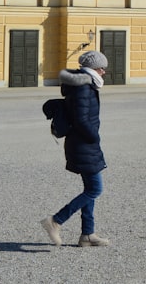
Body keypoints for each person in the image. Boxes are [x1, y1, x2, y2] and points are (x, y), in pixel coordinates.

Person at [42, 50, 110, 248]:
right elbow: (81, 119)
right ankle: (55, 221)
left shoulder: (82, 84)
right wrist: (93, 136)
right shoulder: (84, 87)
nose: (104, 72)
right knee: (95, 188)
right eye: (101, 68)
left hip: (82, 143)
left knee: (90, 188)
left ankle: (87, 234)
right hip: (83, 143)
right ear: (93, 68)